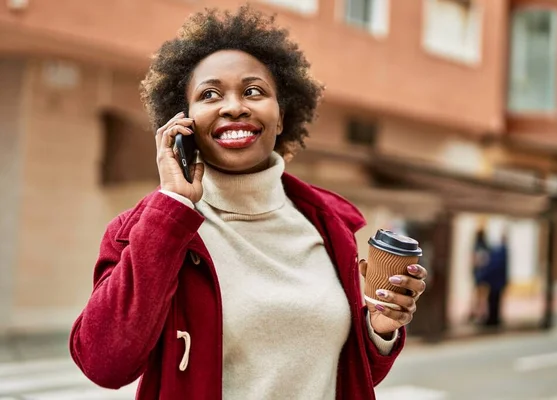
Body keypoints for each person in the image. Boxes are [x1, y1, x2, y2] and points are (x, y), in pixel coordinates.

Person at [69, 6, 427, 400]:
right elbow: (105, 362)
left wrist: (380, 329)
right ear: (183, 119)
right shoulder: (144, 230)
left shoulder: (328, 226)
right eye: (209, 94)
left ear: (280, 117)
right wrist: (171, 205)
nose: (234, 106)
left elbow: (340, 374)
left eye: (254, 91)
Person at [481, 234, 509, 326]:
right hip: (496, 282)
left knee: (494, 301)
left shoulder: (499, 252)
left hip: (496, 283)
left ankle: (493, 319)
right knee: (493, 301)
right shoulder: (500, 251)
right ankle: (492, 318)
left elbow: (495, 268)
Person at [469, 228, 490, 323]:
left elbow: (475, 261)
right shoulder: (485, 247)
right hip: (484, 275)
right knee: (482, 297)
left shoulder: (478, 247)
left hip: (480, 274)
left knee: (480, 296)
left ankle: (480, 314)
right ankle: (481, 314)